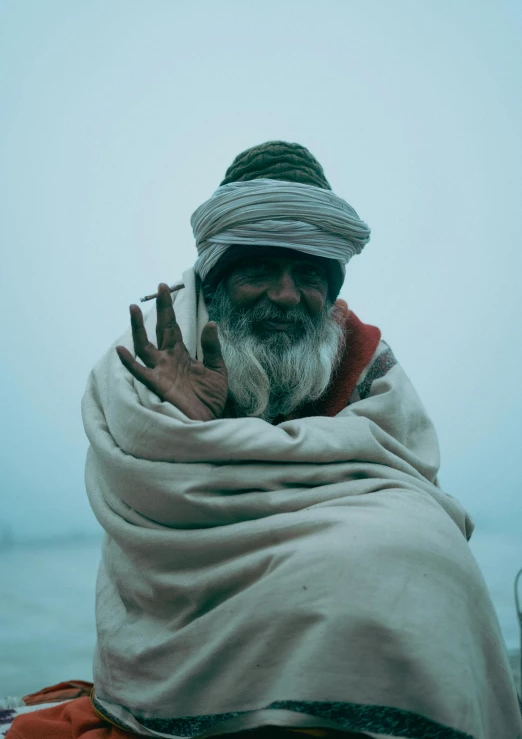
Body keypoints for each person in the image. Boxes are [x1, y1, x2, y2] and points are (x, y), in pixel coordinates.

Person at [80, 141, 521, 739]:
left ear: (331, 288)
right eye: (259, 270)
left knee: (423, 554)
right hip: (181, 620)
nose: (286, 295)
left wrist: (223, 437)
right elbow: (147, 482)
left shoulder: (361, 358)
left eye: (309, 275)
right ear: (217, 278)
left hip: (344, 569)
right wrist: (200, 426)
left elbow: (407, 475)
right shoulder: (154, 348)